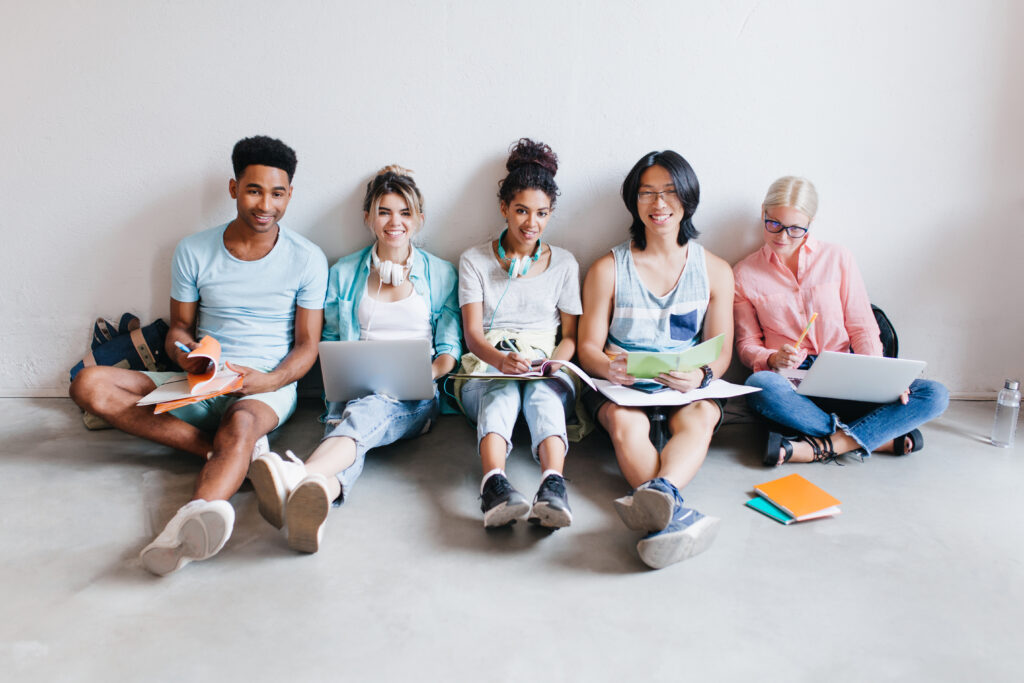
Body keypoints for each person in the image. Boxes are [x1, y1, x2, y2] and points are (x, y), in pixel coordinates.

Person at [69, 135, 328, 575]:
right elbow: (180, 329)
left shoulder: (307, 259)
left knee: (242, 422)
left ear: (289, 195)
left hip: (263, 386)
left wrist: (270, 381)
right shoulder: (193, 250)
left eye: (277, 193)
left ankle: (187, 524)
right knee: (88, 384)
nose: (266, 204)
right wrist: (185, 354)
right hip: (201, 379)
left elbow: (307, 346)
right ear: (233, 189)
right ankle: (235, 457)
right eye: (254, 190)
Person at [249, 165, 461, 553]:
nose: (394, 222)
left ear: (419, 220)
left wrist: (419, 375)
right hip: (353, 391)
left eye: (404, 212)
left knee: (366, 413)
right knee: (352, 428)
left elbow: (449, 352)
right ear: (368, 218)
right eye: (383, 211)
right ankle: (315, 497)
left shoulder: (443, 275)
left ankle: (294, 473)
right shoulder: (345, 272)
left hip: (414, 395)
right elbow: (330, 341)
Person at [577, 150, 734, 569]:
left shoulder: (716, 270)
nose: (659, 204)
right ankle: (675, 515)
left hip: (684, 387)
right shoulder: (607, 268)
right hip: (623, 386)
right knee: (626, 422)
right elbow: (587, 347)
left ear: (688, 198)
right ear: (634, 201)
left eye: (669, 192)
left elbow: (721, 351)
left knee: (701, 417)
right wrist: (606, 367)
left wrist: (701, 374)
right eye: (647, 193)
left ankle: (661, 499)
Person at [734, 176, 948, 466]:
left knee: (935, 394)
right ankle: (874, 437)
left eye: (796, 229)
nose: (782, 237)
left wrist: (880, 376)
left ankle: (820, 446)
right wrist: (773, 359)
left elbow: (862, 325)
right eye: (773, 224)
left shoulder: (837, 257)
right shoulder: (744, 273)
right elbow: (747, 344)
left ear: (810, 223)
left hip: (847, 373)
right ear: (763, 213)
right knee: (760, 385)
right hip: (794, 386)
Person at [456, 138, 582, 529]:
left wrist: (553, 365)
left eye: (542, 213)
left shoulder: (564, 263)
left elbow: (571, 336)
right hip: (490, 366)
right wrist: (499, 361)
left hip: (543, 365)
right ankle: (494, 484)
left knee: (544, 395)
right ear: (504, 209)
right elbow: (474, 335)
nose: (531, 223)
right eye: (522, 211)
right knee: (502, 389)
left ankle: (553, 485)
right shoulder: (473, 260)